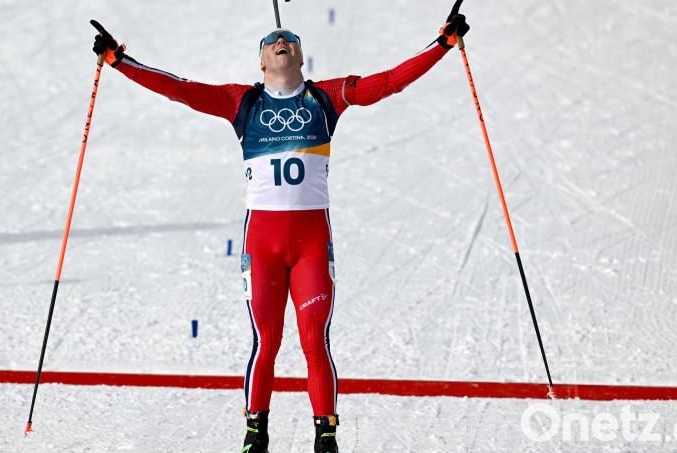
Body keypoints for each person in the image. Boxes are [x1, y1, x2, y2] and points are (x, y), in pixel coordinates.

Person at [92, 2, 469, 451]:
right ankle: (256, 432)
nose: (280, 42)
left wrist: (442, 44)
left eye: (289, 40)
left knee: (314, 340)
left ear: (301, 56)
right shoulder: (242, 102)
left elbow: (387, 83)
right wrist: (119, 62)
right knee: (266, 340)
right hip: (264, 244)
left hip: (311, 244)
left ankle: (325, 435)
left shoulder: (325, 98)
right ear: (261, 61)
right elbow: (179, 89)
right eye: (271, 42)